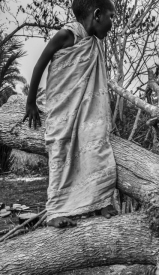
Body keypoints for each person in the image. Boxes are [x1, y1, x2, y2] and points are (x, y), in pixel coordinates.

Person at [23, 0, 118, 228]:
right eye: (111, 16)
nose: (113, 22)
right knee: (60, 151)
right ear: (97, 15)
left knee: (97, 145)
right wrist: (31, 103)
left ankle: (101, 201)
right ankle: (56, 210)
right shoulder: (66, 35)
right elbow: (39, 66)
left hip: (86, 113)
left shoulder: (93, 44)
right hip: (63, 110)